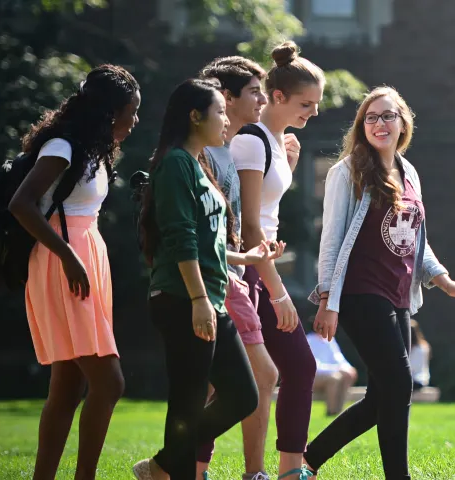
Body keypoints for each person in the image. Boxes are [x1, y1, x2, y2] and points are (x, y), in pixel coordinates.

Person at [304, 86, 455, 479]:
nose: (379, 124)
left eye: (387, 116)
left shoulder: (409, 172)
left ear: (403, 123)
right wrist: (328, 299)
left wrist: (444, 280)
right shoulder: (347, 172)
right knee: (399, 384)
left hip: (399, 296)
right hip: (359, 292)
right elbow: (330, 239)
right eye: (370, 117)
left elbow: (416, 238)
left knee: (385, 394)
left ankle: (308, 461)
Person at [131, 78, 284, 480]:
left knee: (242, 395)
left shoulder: (197, 163)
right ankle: (171, 470)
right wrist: (199, 300)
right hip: (184, 299)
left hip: (209, 297)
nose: (226, 122)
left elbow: (205, 240)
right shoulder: (175, 163)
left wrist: (244, 256)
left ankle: (162, 466)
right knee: (188, 399)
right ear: (194, 116)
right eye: (219, 112)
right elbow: (180, 237)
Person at [7, 64, 140, 480]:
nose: (134, 121)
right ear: (107, 111)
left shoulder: (93, 150)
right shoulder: (62, 147)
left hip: (85, 257)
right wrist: (67, 256)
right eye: (130, 112)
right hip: (62, 262)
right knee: (109, 382)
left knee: (67, 385)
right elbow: (21, 204)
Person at [231, 40, 322, 480]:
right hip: (245, 269)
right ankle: (188, 467)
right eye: (307, 103)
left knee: (298, 366)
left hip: (259, 265)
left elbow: (266, 215)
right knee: (226, 380)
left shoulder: (274, 141)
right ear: (279, 97)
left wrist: (285, 159)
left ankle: (289, 470)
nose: (315, 112)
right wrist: (279, 291)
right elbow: (249, 228)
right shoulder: (250, 142)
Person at [194, 56, 280, 480]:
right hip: (218, 277)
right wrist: (242, 261)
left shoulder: (230, 148)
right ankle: (252, 473)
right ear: (226, 98)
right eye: (253, 92)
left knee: (220, 382)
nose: (262, 99)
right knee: (262, 375)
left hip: (231, 273)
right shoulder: (201, 154)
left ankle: (186, 467)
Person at [306, 332, 359, 416]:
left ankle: (340, 413)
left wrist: (347, 368)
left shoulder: (329, 340)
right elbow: (315, 366)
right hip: (312, 378)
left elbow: (338, 358)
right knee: (334, 378)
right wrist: (337, 369)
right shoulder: (309, 340)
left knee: (348, 375)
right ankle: (331, 412)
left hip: (331, 373)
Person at [408, 320, 431, 391]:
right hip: (423, 379)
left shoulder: (413, 348)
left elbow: (411, 367)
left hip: (415, 380)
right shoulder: (425, 345)